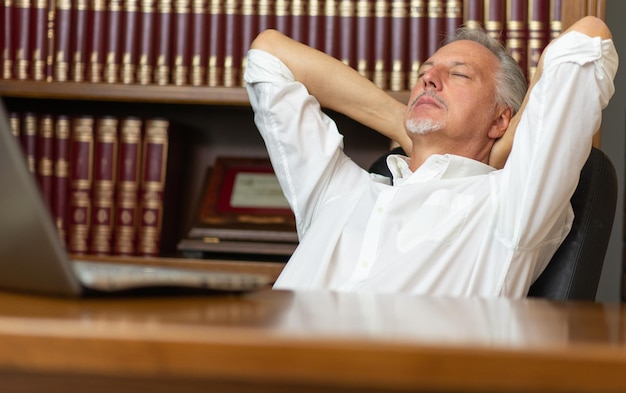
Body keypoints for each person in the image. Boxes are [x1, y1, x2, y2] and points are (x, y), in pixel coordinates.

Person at [244, 16, 618, 298]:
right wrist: (398, 122)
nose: (429, 79)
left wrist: (508, 144)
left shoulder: (509, 204)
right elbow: (268, 55)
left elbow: (589, 38)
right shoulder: (338, 191)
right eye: (425, 72)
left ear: (501, 118)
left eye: (459, 75)